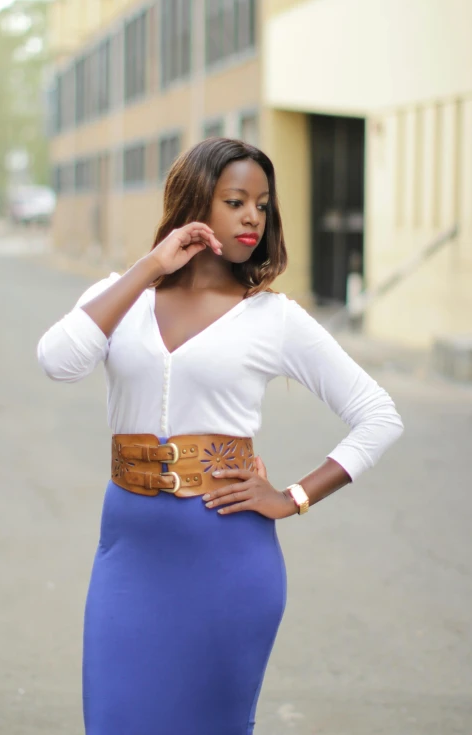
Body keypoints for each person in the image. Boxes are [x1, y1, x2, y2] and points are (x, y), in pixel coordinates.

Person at [37, 137, 404, 735]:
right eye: (236, 200)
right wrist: (151, 266)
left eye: (262, 203)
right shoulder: (123, 296)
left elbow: (379, 414)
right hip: (130, 554)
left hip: (229, 559)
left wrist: (293, 497)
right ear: (194, 204)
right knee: (114, 721)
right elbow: (58, 360)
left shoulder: (273, 318)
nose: (253, 216)